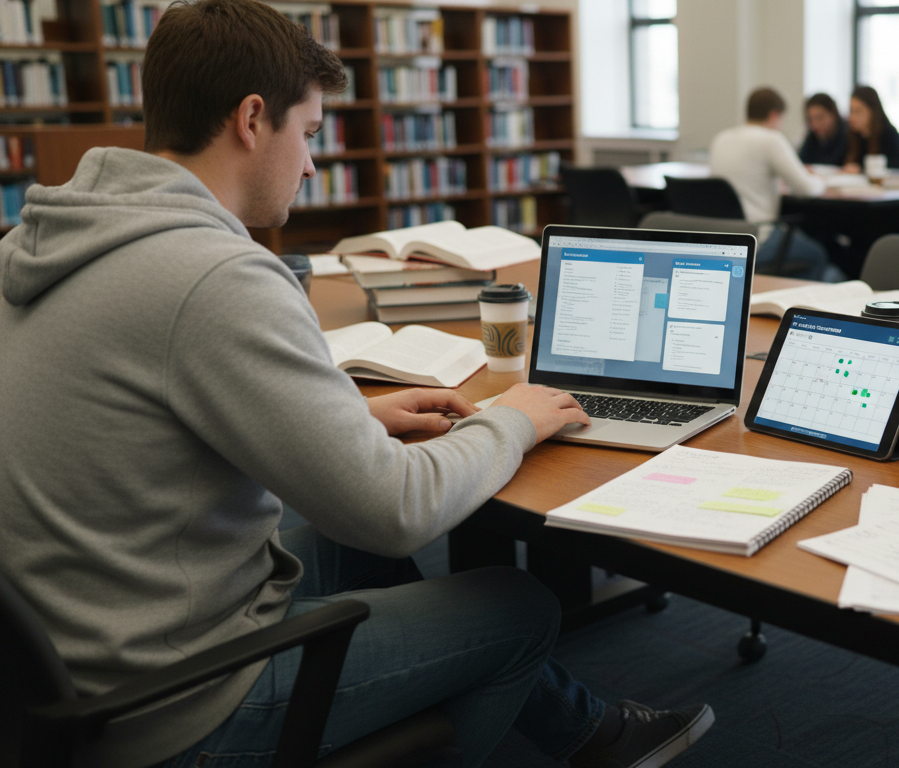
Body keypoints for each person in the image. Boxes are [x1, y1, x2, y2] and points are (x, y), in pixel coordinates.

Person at [0, 1, 713, 767]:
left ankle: (591, 734)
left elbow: (145, 424)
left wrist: (354, 420)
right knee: (518, 607)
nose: (311, 164)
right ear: (250, 119)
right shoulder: (215, 278)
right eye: (307, 134)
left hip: (75, 651)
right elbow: (396, 511)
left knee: (348, 544)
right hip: (174, 702)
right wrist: (513, 420)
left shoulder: (48, 239)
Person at [709, 86, 839, 280]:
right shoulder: (770, 139)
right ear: (774, 115)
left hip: (720, 239)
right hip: (759, 237)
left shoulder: (721, 138)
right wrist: (821, 180)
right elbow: (806, 188)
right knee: (817, 255)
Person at [841, 85, 899, 173]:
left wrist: (863, 168)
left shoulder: (888, 134)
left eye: (858, 111)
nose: (852, 117)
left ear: (873, 111)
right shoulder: (852, 135)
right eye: (851, 111)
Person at [798, 92, 848, 167]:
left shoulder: (848, 135)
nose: (815, 125)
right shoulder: (813, 135)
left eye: (820, 118)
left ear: (833, 114)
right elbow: (801, 161)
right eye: (810, 120)